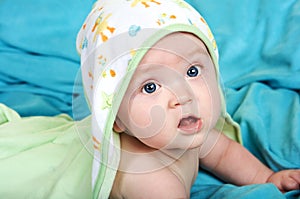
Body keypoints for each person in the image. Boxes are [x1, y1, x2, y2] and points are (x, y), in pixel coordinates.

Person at [76, 0, 300, 198]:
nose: (183, 96)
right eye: (150, 87)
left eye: (192, 71)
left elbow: (224, 154)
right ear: (114, 117)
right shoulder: (151, 180)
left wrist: (268, 177)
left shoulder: (184, 130)